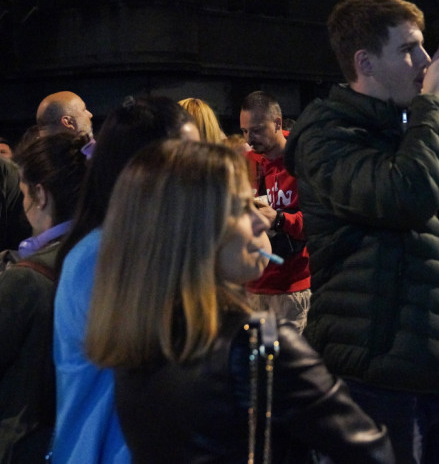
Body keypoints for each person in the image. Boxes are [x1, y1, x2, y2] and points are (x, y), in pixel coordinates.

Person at [82, 140, 392, 463]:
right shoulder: (258, 344)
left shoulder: (132, 339)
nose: (260, 220)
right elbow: (372, 453)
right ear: (195, 230)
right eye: (241, 208)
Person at [285, 0, 439, 464]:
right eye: (409, 49)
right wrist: (437, 101)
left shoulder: (413, 129)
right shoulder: (327, 135)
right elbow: (405, 197)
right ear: (365, 63)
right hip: (377, 380)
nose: (424, 62)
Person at [52, 96, 199, 464]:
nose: (203, 173)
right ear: (140, 171)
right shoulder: (101, 256)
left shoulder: (144, 246)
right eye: (188, 159)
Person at [0, 133, 87, 462]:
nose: (22, 207)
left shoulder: (26, 280)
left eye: (23, 193)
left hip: (23, 443)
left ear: (40, 194)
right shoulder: (94, 257)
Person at [239, 91, 310, 333]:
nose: (249, 139)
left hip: (291, 288)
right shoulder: (245, 162)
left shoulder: (303, 158)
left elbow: (319, 222)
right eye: (245, 131)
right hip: (253, 288)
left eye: (256, 130)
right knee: (260, 365)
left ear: (277, 123)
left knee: (287, 366)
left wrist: (279, 219)